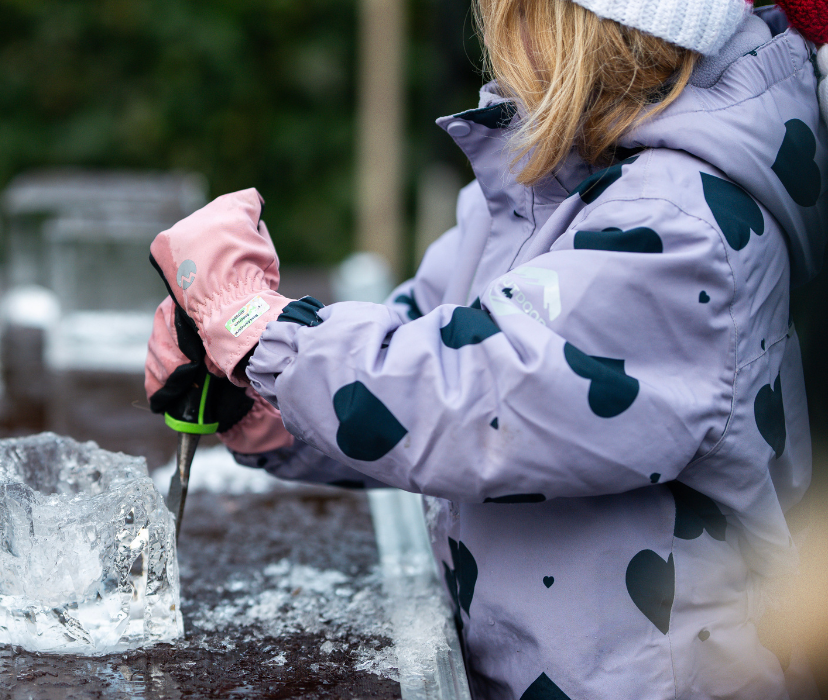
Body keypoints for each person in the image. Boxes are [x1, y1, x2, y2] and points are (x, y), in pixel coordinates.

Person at [146, 0, 828, 697]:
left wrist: (257, 327)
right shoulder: (555, 176)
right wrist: (261, 399)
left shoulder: (681, 229)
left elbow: (475, 398)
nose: (490, 40)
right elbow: (420, 345)